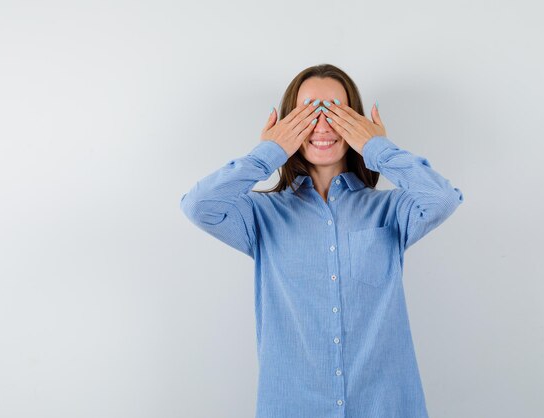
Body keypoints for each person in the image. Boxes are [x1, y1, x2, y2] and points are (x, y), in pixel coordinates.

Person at [179, 64, 464, 418]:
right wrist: (269, 152)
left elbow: (442, 200)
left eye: (336, 111)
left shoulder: (390, 210)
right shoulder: (261, 215)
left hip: (386, 407)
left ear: (356, 121)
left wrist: (377, 147)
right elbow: (198, 207)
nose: (323, 124)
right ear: (289, 123)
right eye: (309, 112)